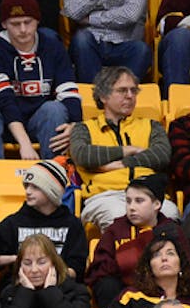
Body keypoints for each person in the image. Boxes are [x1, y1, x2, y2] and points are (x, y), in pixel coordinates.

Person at [0, 0, 80, 161]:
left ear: (37, 20)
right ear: (4, 24)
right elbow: (3, 100)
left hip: (40, 122)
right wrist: (25, 144)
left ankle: (53, 171)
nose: (23, 29)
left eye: (28, 22)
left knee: (55, 109)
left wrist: (75, 124)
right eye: (15, 23)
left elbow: (68, 89)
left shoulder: (53, 46)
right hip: (4, 122)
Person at [70, 67, 172, 230]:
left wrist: (121, 164)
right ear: (103, 96)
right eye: (122, 91)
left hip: (149, 192)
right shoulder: (84, 128)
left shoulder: (151, 126)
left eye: (133, 91)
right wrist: (127, 150)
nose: (130, 96)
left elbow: (161, 155)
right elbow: (83, 155)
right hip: (105, 195)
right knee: (119, 220)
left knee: (170, 214)